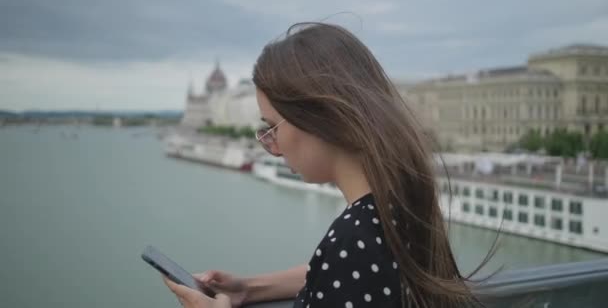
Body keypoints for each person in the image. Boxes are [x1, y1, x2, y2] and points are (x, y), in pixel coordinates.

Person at [163, 22, 489, 308]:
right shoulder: (399, 204)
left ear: (321, 119)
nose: (271, 147)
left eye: (272, 127)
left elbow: (346, 267)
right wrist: (249, 288)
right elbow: (337, 273)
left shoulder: (353, 238)